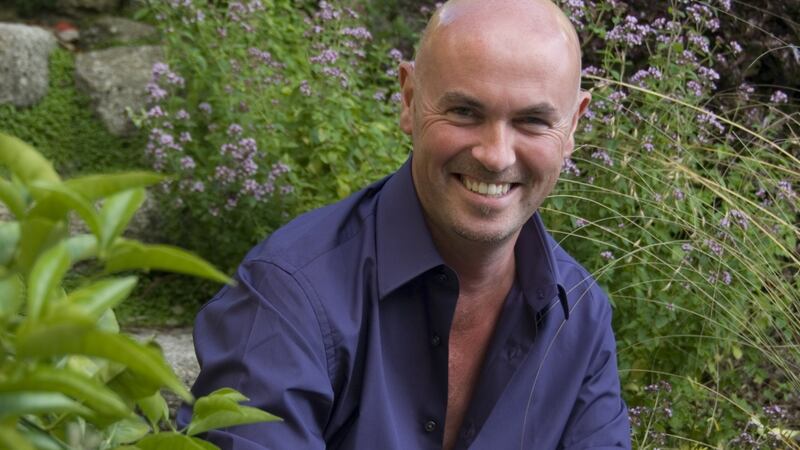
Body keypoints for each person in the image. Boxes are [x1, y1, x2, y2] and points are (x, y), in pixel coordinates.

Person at [180, 0, 631, 448]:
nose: (496, 155)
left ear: (573, 126)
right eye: (464, 112)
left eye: (532, 121)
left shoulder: (581, 317)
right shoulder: (286, 299)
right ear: (409, 100)